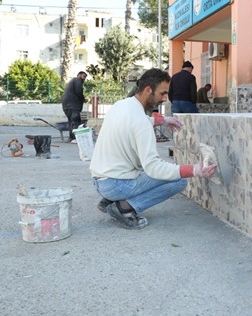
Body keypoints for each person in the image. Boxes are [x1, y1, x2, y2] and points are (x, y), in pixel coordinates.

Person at [90, 68, 217, 230]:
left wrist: (162, 120)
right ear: (148, 90)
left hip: (100, 180)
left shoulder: (121, 105)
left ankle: (109, 200)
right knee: (179, 181)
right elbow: (153, 167)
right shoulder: (141, 124)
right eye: (162, 93)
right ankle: (125, 207)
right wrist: (193, 170)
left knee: (146, 169)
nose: (165, 99)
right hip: (115, 185)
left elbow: (137, 121)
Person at [62, 71, 87, 143]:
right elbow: (79, 91)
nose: (84, 78)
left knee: (71, 121)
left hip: (67, 106)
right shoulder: (77, 80)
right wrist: (83, 99)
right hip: (73, 105)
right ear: (79, 75)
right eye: (83, 76)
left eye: (85, 77)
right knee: (75, 121)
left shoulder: (72, 82)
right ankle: (74, 138)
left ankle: (71, 138)